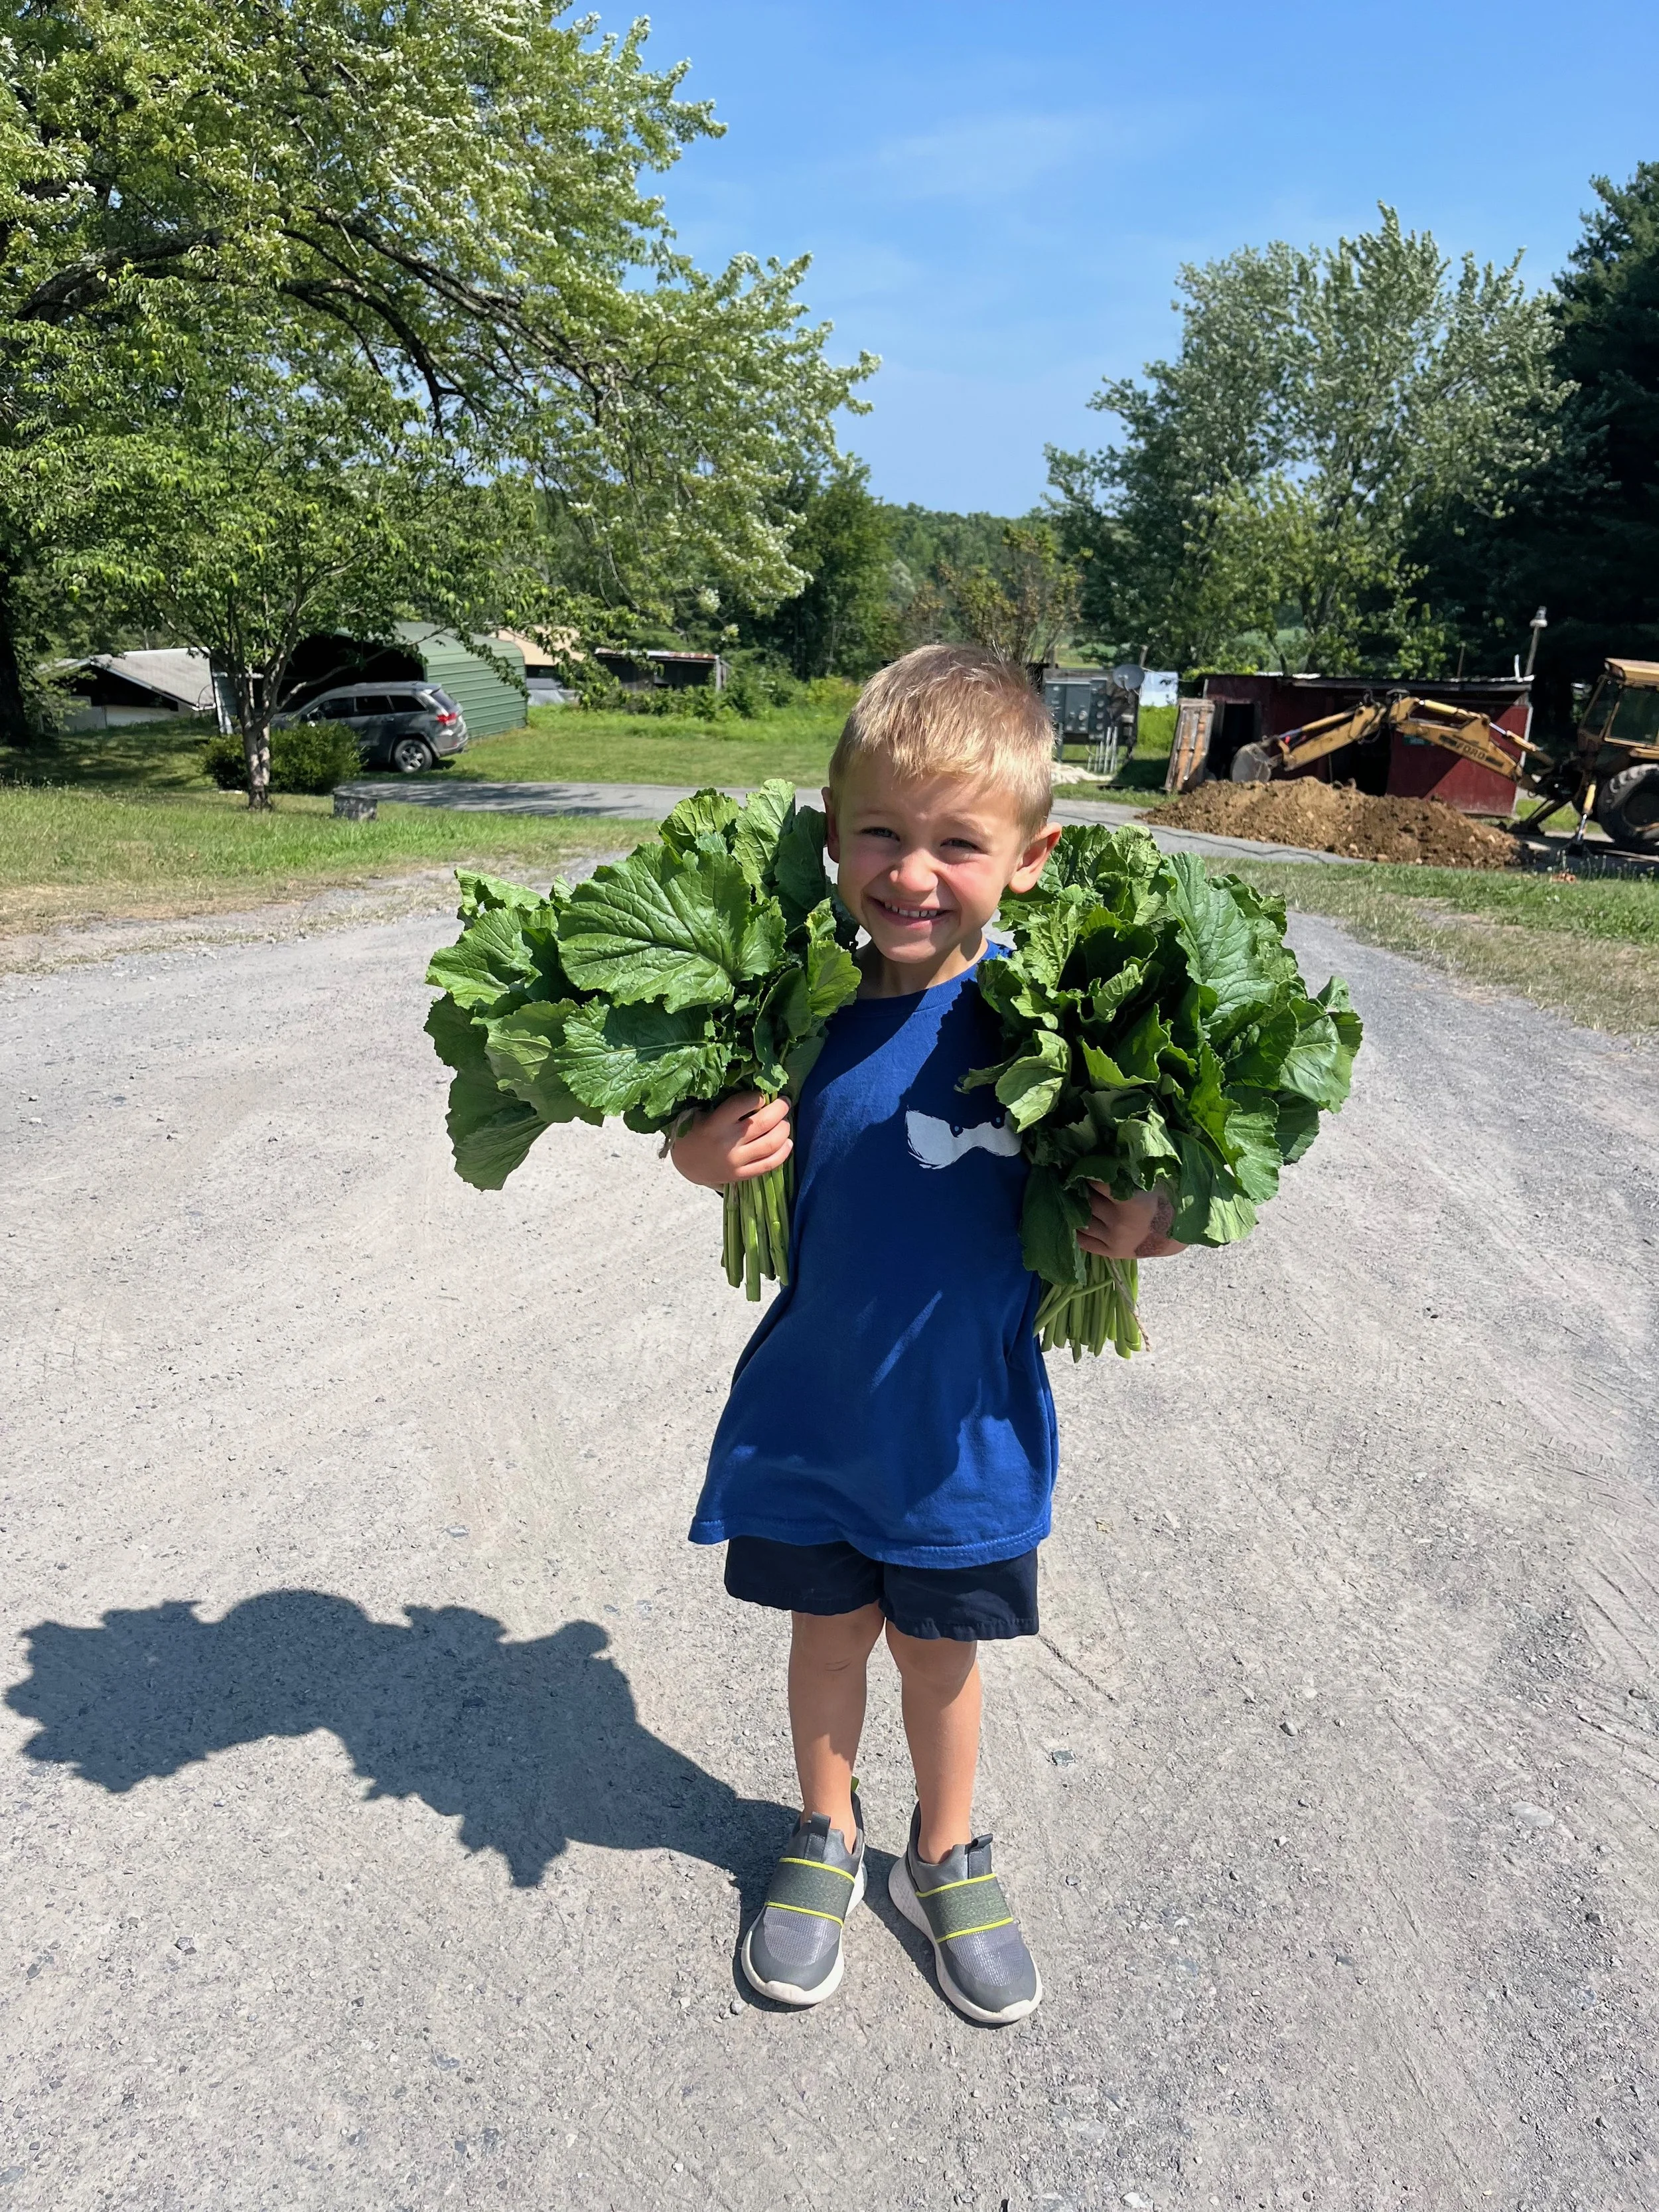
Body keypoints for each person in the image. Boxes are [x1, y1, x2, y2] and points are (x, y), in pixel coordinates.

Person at [670, 644, 1185, 2025]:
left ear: (1028, 855)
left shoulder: (1053, 1021)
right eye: (879, 835)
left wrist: (1149, 1227)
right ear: (832, 839)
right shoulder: (795, 1009)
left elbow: (1159, 1189)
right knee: (824, 1639)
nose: (909, 873)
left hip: (962, 1430)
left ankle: (943, 1850)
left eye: (955, 843)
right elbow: (700, 1140)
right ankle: (825, 1835)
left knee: (938, 1660)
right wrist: (703, 1157)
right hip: (811, 1411)